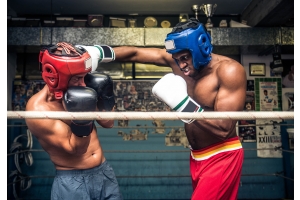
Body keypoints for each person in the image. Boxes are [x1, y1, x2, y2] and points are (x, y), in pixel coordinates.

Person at [112, 18, 246, 200]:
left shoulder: (228, 71)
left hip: (222, 156)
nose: (180, 65)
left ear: (201, 48)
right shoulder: (179, 62)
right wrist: (94, 53)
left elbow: (224, 128)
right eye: (176, 59)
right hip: (197, 156)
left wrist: (184, 105)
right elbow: (134, 53)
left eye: (184, 58)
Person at [25, 42, 123, 200]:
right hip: (72, 181)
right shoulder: (38, 110)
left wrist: (106, 97)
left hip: (103, 171)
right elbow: (77, 149)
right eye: (77, 78)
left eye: (84, 76)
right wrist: (83, 113)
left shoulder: (82, 89)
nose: (84, 84)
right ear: (56, 77)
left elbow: (108, 123)